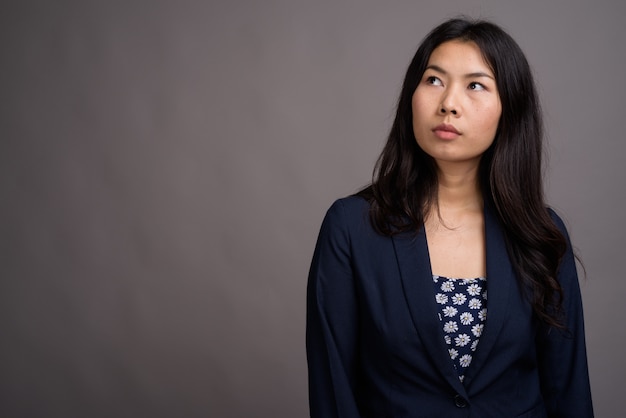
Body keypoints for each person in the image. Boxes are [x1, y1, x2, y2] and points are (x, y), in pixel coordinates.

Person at [306, 18, 593, 418]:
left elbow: (569, 391)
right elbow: (333, 392)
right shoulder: (352, 227)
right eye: (434, 80)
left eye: (475, 85)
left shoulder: (540, 233)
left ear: (509, 109)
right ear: (412, 95)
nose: (448, 103)